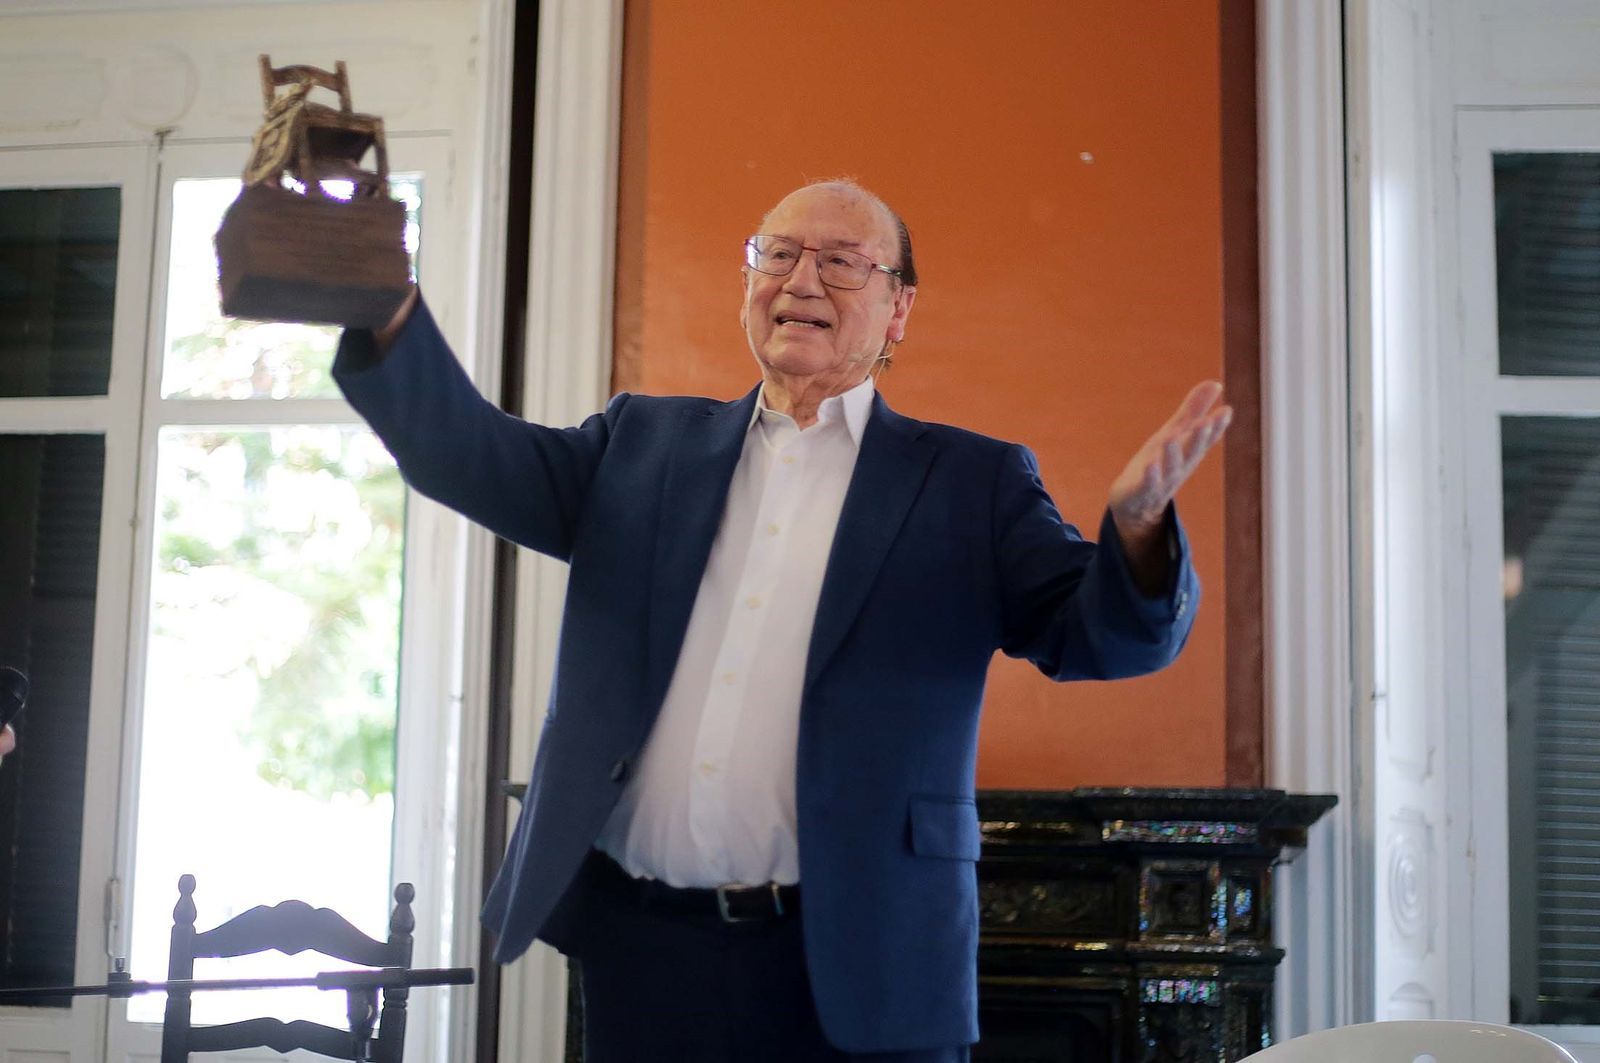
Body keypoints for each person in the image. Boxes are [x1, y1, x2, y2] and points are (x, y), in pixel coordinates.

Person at [334, 179, 1230, 1062]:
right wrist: (387, 307)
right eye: (778, 254)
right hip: (644, 951)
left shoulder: (969, 484)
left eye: (841, 262)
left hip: (863, 963)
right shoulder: (640, 445)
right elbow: (468, 454)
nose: (802, 281)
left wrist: (1139, 526)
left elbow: (1098, 634)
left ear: (898, 307)